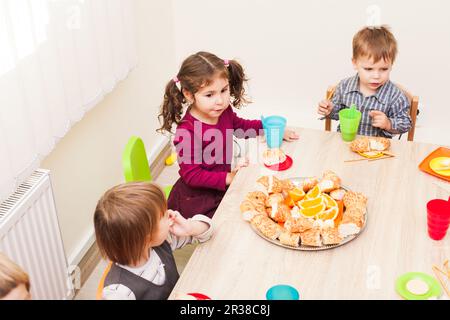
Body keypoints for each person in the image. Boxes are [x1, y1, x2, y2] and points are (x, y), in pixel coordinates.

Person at [158, 51, 298, 218]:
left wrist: (270, 129)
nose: (220, 100)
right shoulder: (186, 132)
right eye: (209, 94)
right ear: (188, 94)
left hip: (220, 189)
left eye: (224, 90)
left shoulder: (222, 111)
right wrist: (230, 177)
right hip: (197, 203)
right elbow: (192, 175)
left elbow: (241, 126)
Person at [94, 182, 213, 300]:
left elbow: (207, 233)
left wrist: (189, 227)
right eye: (163, 215)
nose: (170, 213)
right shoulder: (119, 292)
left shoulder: (163, 241)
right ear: (147, 236)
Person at [317, 25, 412, 138]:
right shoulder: (344, 86)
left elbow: (406, 123)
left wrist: (388, 123)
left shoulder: (395, 96)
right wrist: (330, 110)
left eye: (384, 69)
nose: (376, 76)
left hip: (376, 149)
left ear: (391, 65)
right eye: (368, 69)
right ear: (355, 63)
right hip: (345, 143)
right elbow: (337, 113)